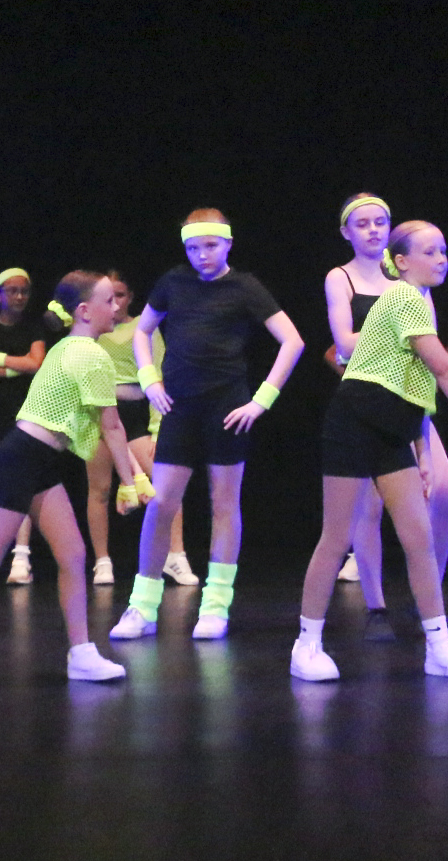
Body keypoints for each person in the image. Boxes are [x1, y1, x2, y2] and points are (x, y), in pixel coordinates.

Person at [292, 221, 448, 681]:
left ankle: (438, 648)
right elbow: (443, 369)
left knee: (418, 538)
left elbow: (414, 386)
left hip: (391, 429)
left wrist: (423, 452)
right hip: (354, 422)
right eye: (429, 252)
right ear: (401, 262)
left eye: (443, 250)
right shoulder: (403, 297)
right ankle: (306, 646)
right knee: (336, 536)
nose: (441, 259)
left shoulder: (417, 300)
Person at [0, 272, 141, 689]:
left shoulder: (68, 348)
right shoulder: (89, 355)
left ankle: (81, 653)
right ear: (84, 311)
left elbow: (105, 422)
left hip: (38, 460)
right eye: (109, 300)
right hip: (20, 459)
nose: (117, 307)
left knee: (73, 554)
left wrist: (135, 476)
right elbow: (111, 426)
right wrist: (130, 483)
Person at [110, 210, 306, 642]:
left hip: (227, 409)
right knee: (161, 503)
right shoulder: (173, 282)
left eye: (211, 246)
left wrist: (262, 401)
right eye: (194, 248)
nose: (202, 255)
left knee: (224, 504)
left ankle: (216, 606)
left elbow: (292, 341)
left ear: (228, 244)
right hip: (179, 408)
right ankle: (142, 605)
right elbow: (143, 331)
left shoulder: (245, 287)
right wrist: (149, 378)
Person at [0, 268, 51, 588]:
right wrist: (18, 365)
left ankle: (21, 557)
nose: (19, 297)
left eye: (24, 291)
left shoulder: (34, 328)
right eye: (12, 291)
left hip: (23, 417)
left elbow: (38, 363)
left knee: (21, 486)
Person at [84, 273, 163, 588]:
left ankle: (174, 555)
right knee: (100, 489)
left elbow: (157, 373)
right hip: (99, 413)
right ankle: (102, 561)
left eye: (120, 295)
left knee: (163, 485)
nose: (114, 303)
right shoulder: (92, 331)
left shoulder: (143, 326)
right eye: (107, 297)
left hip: (135, 415)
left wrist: (158, 428)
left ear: (130, 297)